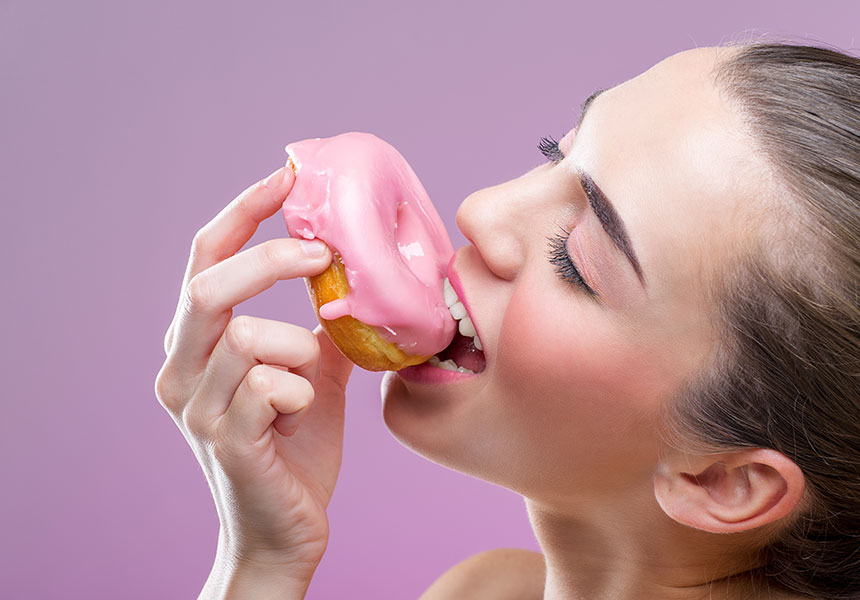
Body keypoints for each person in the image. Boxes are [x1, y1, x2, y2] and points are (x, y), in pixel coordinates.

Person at [155, 42, 860, 599]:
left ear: (721, 480)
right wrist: (262, 564)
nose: (480, 209)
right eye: (554, 153)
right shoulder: (483, 591)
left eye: (576, 261)